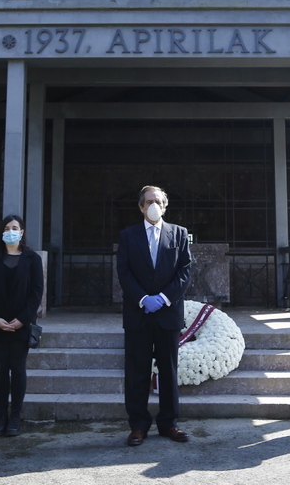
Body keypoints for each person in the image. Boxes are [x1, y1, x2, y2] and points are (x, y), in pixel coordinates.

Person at [116, 185, 192, 447]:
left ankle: (169, 423)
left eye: (157, 201)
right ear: (140, 206)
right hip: (138, 314)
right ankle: (138, 425)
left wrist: (162, 298)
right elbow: (124, 272)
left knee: (168, 371)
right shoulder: (128, 236)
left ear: (165, 205)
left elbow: (185, 271)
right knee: (137, 371)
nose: (153, 205)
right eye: (148, 201)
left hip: (167, 313)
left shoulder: (179, 234)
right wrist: (143, 299)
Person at [0, 214, 44, 437]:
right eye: (7, 227)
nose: (11, 231)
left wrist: (23, 319)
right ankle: (0, 416)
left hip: (21, 324)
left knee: (18, 369)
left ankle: (15, 416)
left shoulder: (32, 259)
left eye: (15, 227)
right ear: (1, 232)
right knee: (0, 370)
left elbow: (36, 293)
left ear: (22, 232)